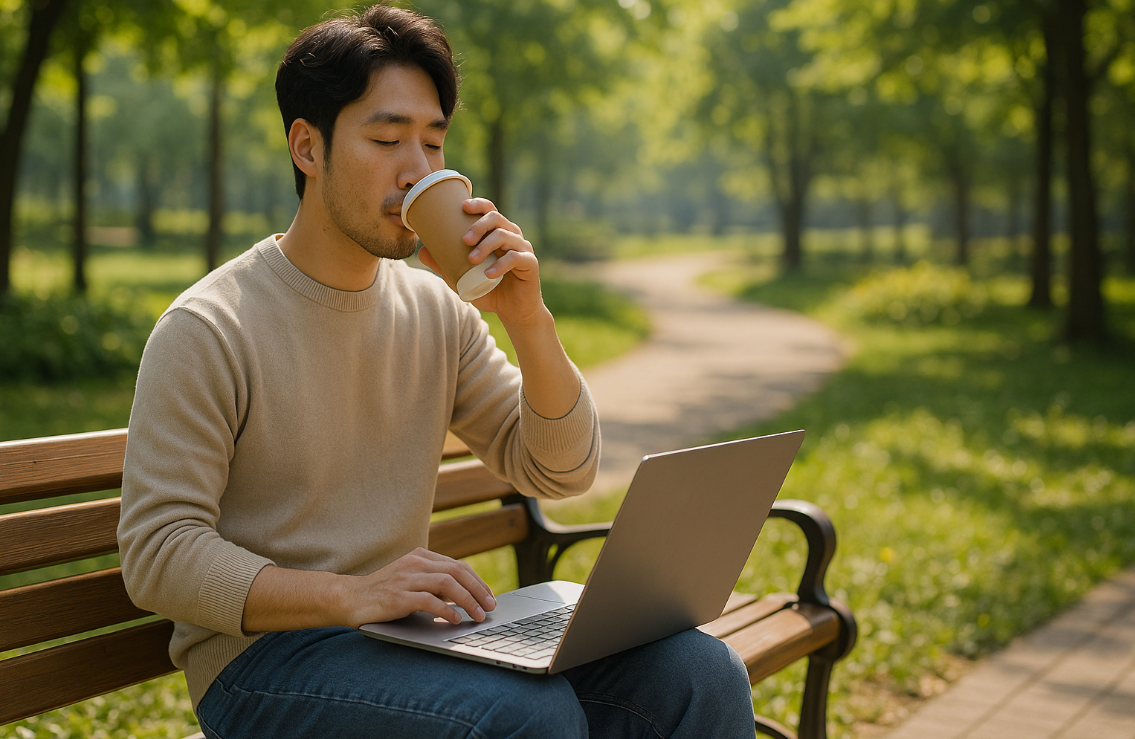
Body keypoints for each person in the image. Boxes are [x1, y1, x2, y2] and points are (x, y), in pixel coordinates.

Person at [118, 4, 755, 737]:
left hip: (405, 637)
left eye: (433, 142)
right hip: (265, 665)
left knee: (697, 672)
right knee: (527, 718)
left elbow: (557, 470)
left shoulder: (436, 311)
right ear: (307, 148)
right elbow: (158, 553)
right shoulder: (210, 326)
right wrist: (350, 594)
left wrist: (527, 320)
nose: (418, 170)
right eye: (388, 138)